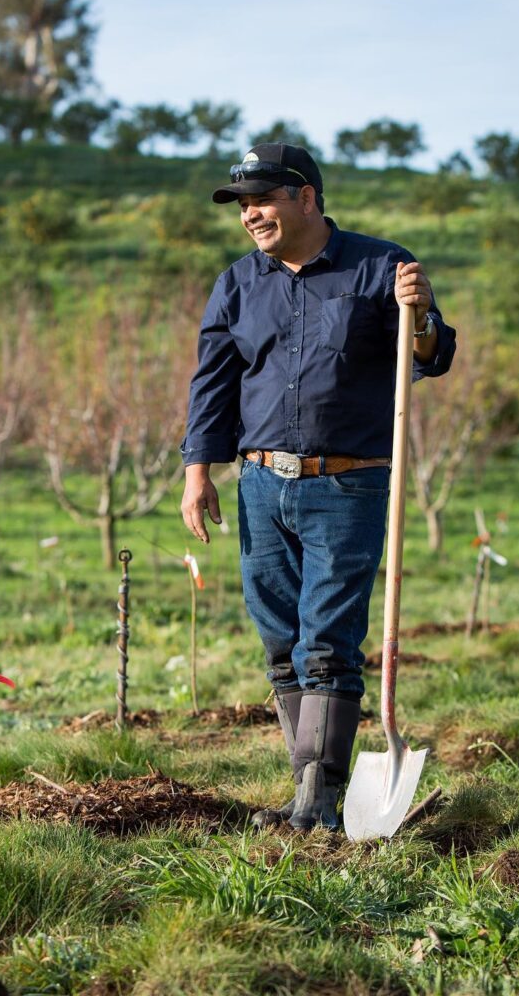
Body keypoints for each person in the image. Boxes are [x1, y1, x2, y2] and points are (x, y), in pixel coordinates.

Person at [180, 142, 456, 831]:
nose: (251, 215)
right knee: (280, 639)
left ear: (307, 197)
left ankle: (320, 795)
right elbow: (213, 383)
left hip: (348, 486)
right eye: (243, 204)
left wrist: (418, 314)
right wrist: (198, 472)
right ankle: (309, 786)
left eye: (263, 199)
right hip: (260, 483)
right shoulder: (237, 284)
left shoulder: (381, 266)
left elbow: (432, 355)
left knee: (327, 638)